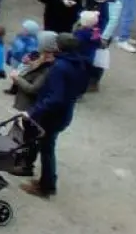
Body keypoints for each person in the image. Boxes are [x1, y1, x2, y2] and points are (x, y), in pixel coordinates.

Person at [20, 32, 91, 199]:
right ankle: (45, 181)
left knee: (47, 148)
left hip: (52, 115)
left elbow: (55, 97)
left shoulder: (60, 67)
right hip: (66, 111)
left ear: (59, 47)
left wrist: (32, 112)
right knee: (47, 145)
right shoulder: (81, 62)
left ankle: (47, 186)